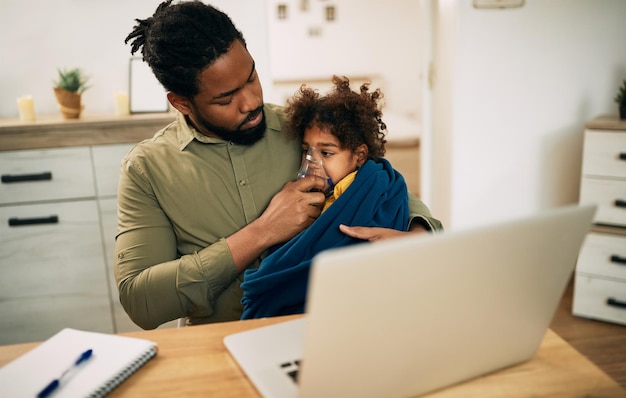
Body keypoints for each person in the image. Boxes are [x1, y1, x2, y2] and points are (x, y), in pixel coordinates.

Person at [117, 0, 443, 330]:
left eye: (251, 77)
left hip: (327, 331)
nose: (251, 101)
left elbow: (383, 186)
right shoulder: (146, 170)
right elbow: (140, 300)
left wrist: (417, 235)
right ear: (181, 102)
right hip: (218, 346)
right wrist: (261, 232)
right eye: (226, 98)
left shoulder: (308, 128)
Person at [240, 75, 413, 319]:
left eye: (327, 152)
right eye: (306, 151)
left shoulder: (378, 186)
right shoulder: (312, 194)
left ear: (359, 155)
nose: (313, 163)